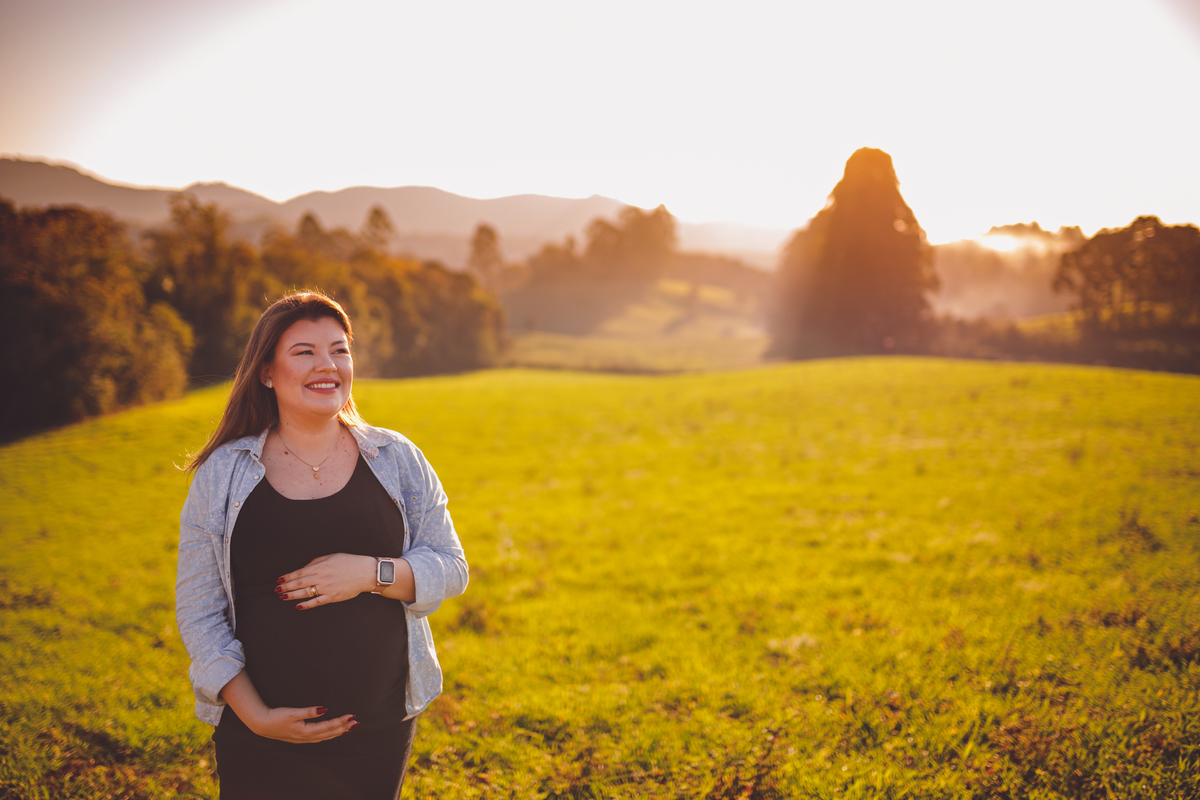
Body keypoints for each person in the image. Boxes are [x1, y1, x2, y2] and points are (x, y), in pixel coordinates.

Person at [175, 291, 468, 799]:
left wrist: (369, 573)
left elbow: (452, 566)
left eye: (339, 350)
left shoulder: (398, 458)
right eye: (305, 351)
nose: (327, 365)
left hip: (376, 731)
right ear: (267, 372)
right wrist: (257, 717)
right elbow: (200, 612)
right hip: (259, 737)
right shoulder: (222, 474)